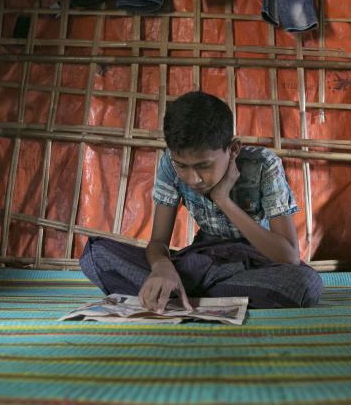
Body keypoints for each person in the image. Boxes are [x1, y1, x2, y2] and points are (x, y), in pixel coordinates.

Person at [79, 91, 323, 312]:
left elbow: (289, 256)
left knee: (304, 283)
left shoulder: (263, 165)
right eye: (182, 165)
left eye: (204, 165)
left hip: (256, 262)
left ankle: (183, 293)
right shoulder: (168, 164)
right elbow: (158, 243)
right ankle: (195, 290)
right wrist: (162, 267)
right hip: (203, 258)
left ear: (233, 149)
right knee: (95, 254)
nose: (193, 178)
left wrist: (223, 199)